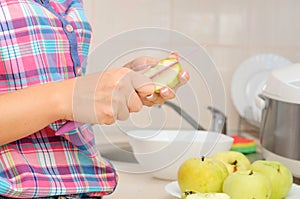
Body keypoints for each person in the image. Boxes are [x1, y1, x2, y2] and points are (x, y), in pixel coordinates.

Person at [0, 0, 189, 198]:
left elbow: (56, 97)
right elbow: (63, 97)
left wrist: (116, 86)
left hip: (82, 189)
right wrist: (68, 96)